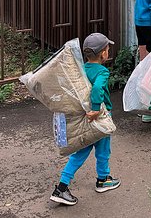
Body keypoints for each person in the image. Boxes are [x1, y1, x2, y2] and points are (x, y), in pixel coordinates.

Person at [50, 33, 121, 206]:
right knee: (101, 151)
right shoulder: (102, 71)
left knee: (85, 151)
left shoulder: (81, 69)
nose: (108, 51)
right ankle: (63, 188)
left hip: (84, 116)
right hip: (100, 117)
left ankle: (101, 180)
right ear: (103, 54)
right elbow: (97, 88)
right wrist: (96, 109)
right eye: (107, 48)